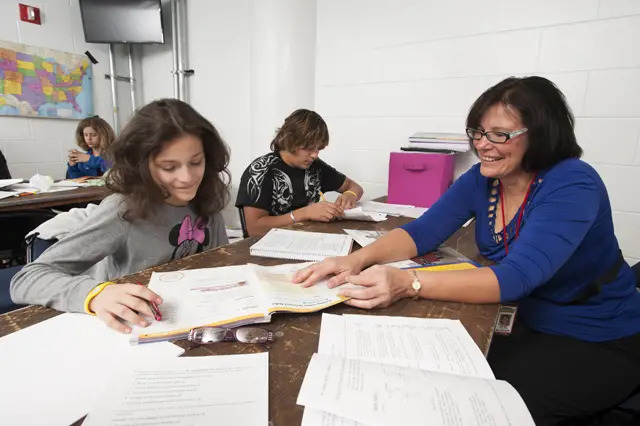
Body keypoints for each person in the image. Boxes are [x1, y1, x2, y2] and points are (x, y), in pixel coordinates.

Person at [293, 77, 640, 425]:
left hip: (595, 335)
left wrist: (406, 283)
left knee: (477, 407)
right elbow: (422, 232)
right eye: (478, 132)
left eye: (499, 134)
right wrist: (354, 259)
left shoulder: (572, 182)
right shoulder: (483, 178)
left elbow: (516, 277)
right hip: (525, 319)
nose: (482, 145)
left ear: (541, 134)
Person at [11, 99, 230, 334]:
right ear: (142, 165)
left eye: (196, 162)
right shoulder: (123, 210)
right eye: (169, 167)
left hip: (192, 318)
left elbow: (220, 263)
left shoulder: (207, 197)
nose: (187, 177)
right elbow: (26, 279)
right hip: (133, 326)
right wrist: (95, 294)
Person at [235, 109, 364, 236]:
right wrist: (304, 213)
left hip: (306, 240)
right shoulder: (260, 171)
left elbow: (355, 187)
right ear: (290, 140)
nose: (314, 155)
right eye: (308, 148)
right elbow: (254, 228)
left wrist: (350, 195)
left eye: (318, 148)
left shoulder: (315, 166)